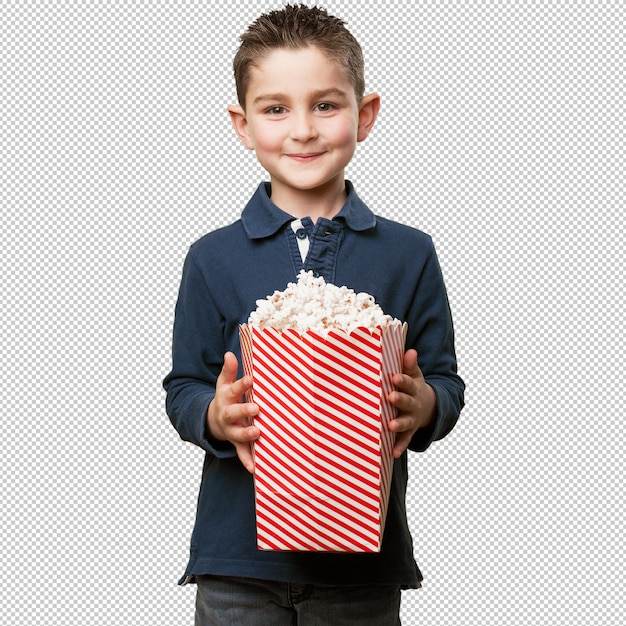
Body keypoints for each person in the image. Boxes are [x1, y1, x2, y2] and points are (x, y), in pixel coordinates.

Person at [163, 4, 464, 624]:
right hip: (237, 563)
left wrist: (424, 405)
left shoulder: (409, 253)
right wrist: (216, 416)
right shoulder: (212, 257)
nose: (302, 129)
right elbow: (183, 386)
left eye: (326, 105)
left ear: (366, 114)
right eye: (276, 109)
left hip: (361, 567)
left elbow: (445, 381)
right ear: (242, 125)